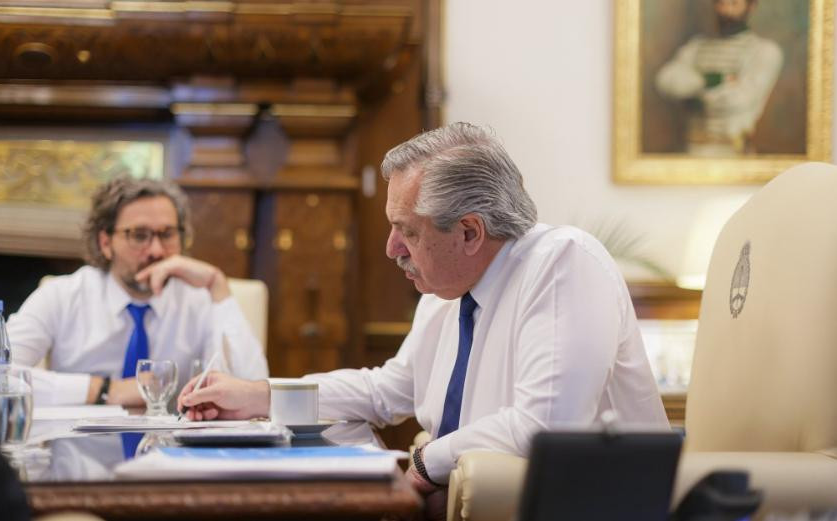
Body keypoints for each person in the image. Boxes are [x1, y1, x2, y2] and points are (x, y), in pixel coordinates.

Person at [178, 123, 668, 513]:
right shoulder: (445, 290)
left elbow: (545, 426)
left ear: (470, 232)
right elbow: (385, 392)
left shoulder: (563, 261)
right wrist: (258, 395)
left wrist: (422, 463)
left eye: (406, 231)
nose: (392, 249)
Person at [7, 176, 268, 406]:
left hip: (172, 455)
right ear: (106, 242)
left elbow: (253, 389)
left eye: (167, 234)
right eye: (139, 235)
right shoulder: (62, 296)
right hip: (79, 457)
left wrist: (216, 284)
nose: (156, 251)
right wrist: (104, 390)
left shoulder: (199, 299)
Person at [655, 0, 783, 156]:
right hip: (692, 151)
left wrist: (693, 95)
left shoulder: (764, 51)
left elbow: (739, 98)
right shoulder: (697, 46)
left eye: (734, 3)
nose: (726, 10)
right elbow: (665, 80)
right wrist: (711, 80)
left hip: (734, 153)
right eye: (721, 3)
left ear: (751, 6)